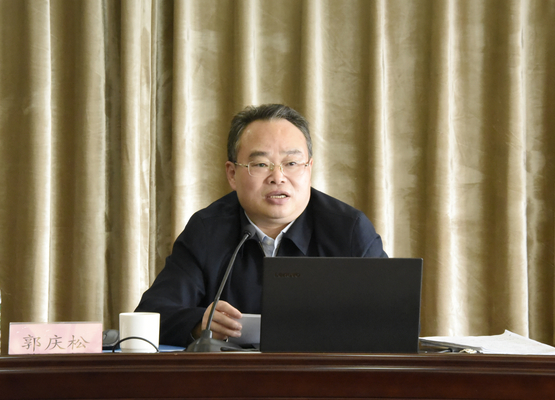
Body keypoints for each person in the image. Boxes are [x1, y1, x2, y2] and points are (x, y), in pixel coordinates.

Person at [135, 104, 387, 347]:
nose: (277, 177)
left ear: (309, 169)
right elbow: (151, 314)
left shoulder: (349, 230)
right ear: (232, 174)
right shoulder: (207, 230)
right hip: (233, 375)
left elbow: (391, 318)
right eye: (260, 164)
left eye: (291, 163)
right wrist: (198, 323)